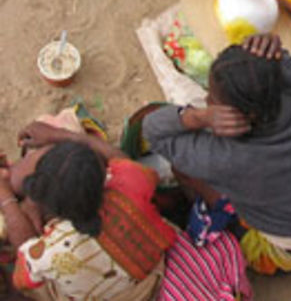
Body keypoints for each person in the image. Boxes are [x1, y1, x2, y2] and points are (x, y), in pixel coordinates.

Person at [142, 34, 291, 276]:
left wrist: (199, 116)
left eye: (214, 101)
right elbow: (282, 64)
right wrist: (270, 47)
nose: (206, 101)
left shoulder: (227, 158)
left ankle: (231, 235)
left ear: (243, 116)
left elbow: (153, 131)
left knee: (183, 169)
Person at [2, 120, 251, 301]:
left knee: (28, 270)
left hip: (137, 288)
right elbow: (120, 159)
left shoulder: (50, 253)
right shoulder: (128, 188)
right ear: (104, 177)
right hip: (152, 272)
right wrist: (63, 135)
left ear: (52, 213)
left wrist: (6, 197)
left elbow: (24, 270)